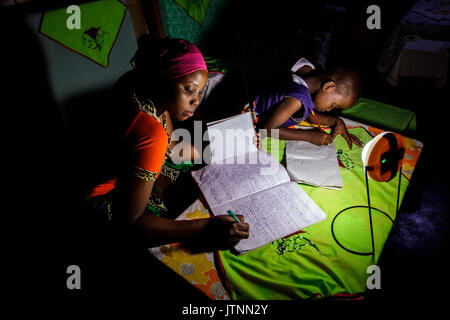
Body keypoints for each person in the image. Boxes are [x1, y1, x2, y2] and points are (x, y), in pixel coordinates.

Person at [85, 36, 249, 250]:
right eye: (188, 90)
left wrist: (213, 150)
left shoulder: (136, 81)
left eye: (199, 92)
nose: (196, 101)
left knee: (202, 163)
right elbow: (131, 222)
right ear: (163, 80)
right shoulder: (151, 132)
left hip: (125, 162)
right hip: (110, 197)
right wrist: (206, 226)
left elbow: (171, 146)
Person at [247, 57, 364, 149]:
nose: (330, 110)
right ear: (328, 86)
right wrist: (309, 137)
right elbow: (268, 130)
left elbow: (303, 113)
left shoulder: (308, 70)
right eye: (334, 105)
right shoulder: (297, 100)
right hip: (248, 115)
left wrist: (335, 121)